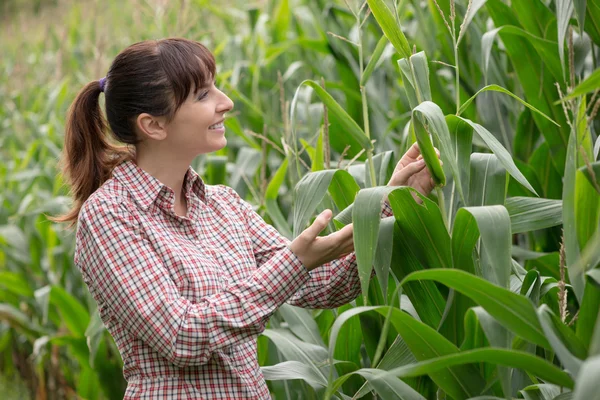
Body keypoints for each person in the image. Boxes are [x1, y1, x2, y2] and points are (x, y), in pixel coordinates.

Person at [54, 38, 438, 399]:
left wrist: (394, 202)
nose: (227, 103)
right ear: (153, 125)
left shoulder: (223, 205)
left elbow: (322, 286)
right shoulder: (110, 217)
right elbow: (182, 336)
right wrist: (295, 262)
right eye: (204, 95)